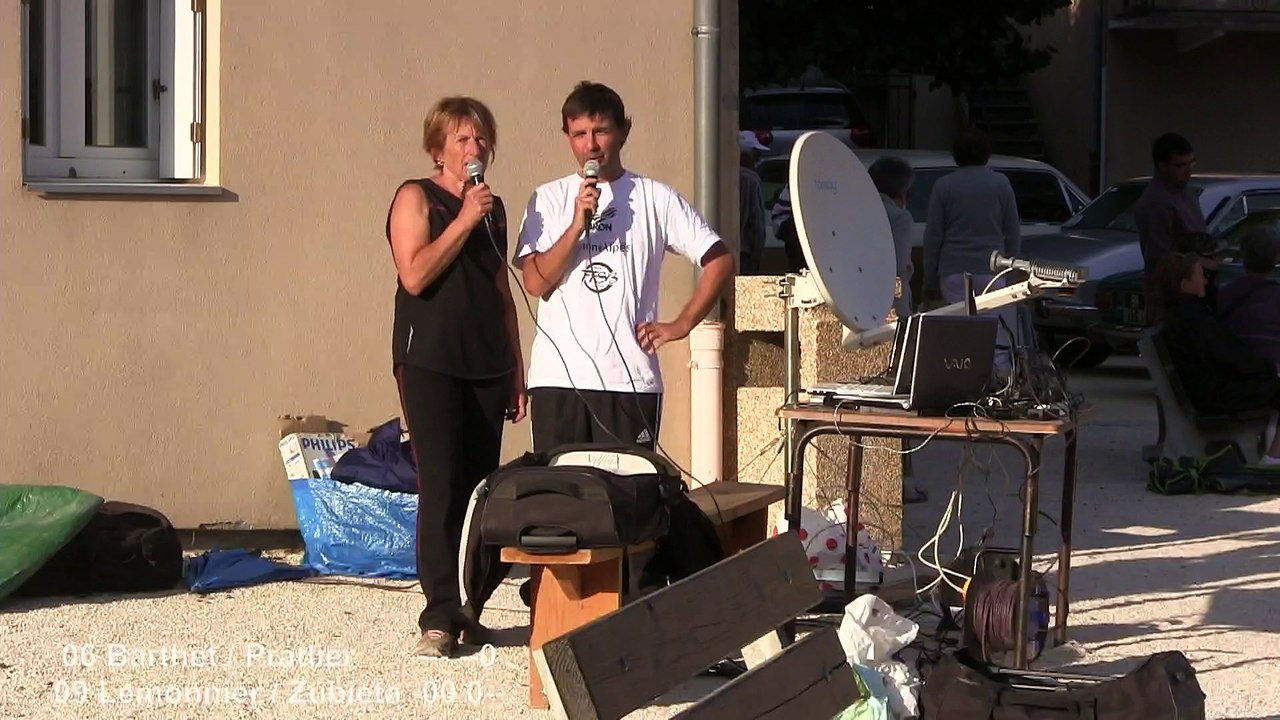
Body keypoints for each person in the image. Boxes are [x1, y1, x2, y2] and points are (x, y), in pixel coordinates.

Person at [516, 81, 734, 454]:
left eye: (600, 131)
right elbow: (535, 282)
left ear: (623, 132)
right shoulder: (549, 199)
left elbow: (719, 259)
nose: (591, 145)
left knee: (627, 497)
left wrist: (681, 324)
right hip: (560, 379)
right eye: (579, 134)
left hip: (629, 380)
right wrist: (575, 227)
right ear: (567, 137)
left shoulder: (656, 198)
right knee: (560, 497)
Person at [384, 96, 526, 658]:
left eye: (482, 139)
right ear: (438, 149)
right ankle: (438, 616)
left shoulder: (493, 208)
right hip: (431, 362)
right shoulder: (415, 197)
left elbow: (500, 292)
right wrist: (464, 218)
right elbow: (414, 274)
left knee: (478, 492)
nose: (475, 149)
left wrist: (517, 367)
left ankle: (471, 607)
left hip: (487, 364)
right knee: (441, 487)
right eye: (463, 140)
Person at [1155, 252, 1280, 465]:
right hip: (1215, 395)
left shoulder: (1181, 314)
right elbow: (1229, 355)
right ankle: (1273, 457)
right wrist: (1267, 370)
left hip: (1207, 389)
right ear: (1185, 283)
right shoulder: (1194, 318)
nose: (1205, 280)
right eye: (1200, 275)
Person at [922, 129, 1021, 373]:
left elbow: (933, 235)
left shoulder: (944, 186)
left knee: (959, 329)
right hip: (993, 270)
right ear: (987, 155)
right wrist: (1013, 269)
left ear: (956, 156)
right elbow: (1012, 229)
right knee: (994, 329)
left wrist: (929, 278)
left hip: (953, 269)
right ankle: (999, 380)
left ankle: (960, 377)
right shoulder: (1001, 183)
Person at [1133, 133, 1211, 322]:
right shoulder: (1157, 202)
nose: (1188, 171)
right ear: (1162, 166)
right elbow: (1160, 260)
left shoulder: (1186, 193)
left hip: (1193, 291)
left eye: (1191, 163)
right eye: (1180, 165)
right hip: (1173, 298)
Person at [1217, 226, 1280, 371]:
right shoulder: (1275, 296)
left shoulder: (1223, 295)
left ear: (1244, 255)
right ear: (1275, 257)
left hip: (1235, 373)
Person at [868, 156, 916, 318]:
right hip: (890, 299)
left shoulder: (855, 211)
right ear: (901, 191)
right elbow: (899, 265)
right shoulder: (900, 217)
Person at [738, 131, 769, 274]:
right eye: (756, 154)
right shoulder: (751, 179)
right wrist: (758, 255)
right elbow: (757, 223)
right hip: (745, 253)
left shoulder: (723, 174)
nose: (757, 159)